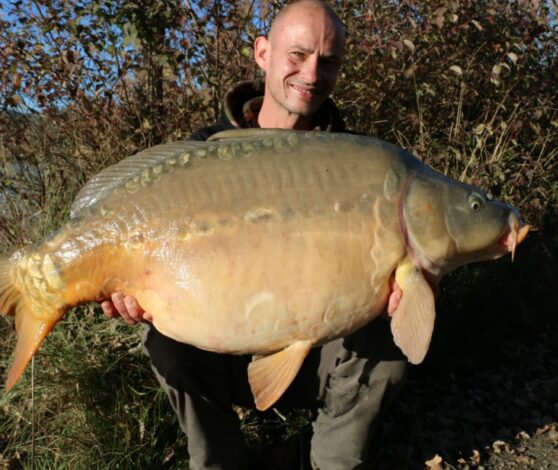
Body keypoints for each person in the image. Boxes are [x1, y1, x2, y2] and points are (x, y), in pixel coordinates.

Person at [102, 1, 407, 468]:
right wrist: (129, 293)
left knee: (391, 334)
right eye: (298, 55)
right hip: (221, 352)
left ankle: (330, 460)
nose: (311, 73)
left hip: (319, 358)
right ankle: (220, 462)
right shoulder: (203, 155)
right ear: (262, 53)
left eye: (328, 61)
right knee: (162, 340)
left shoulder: (358, 165)